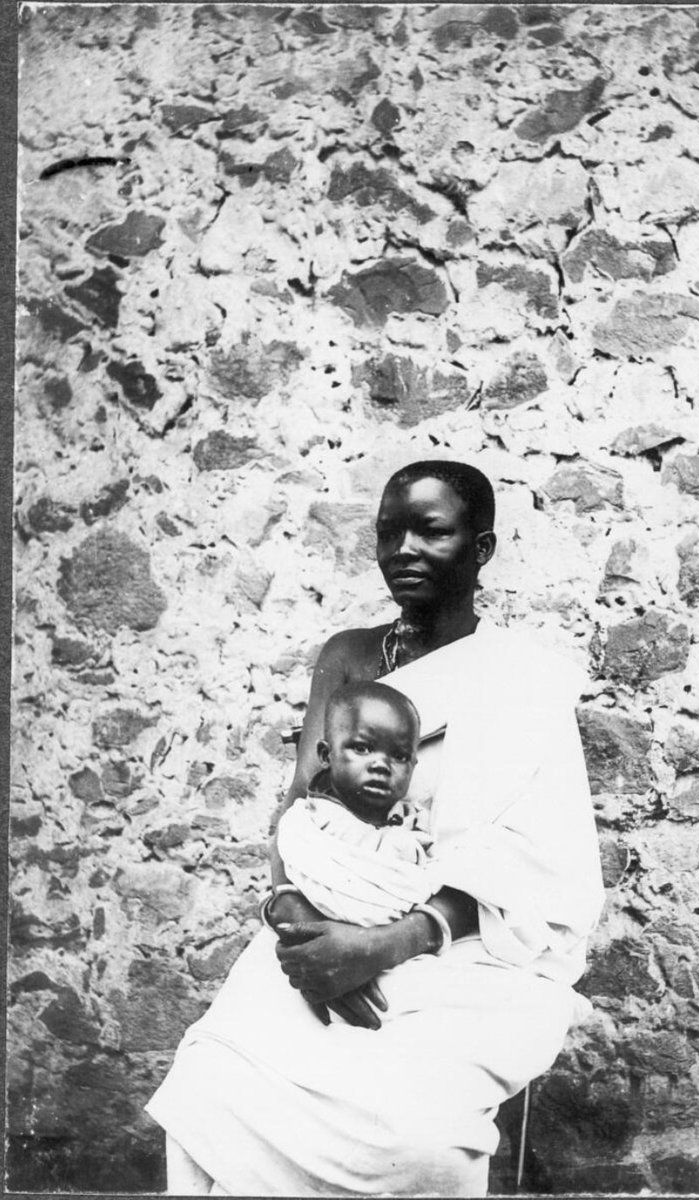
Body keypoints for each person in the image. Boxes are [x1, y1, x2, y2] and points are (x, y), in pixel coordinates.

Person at [146, 460, 606, 1197]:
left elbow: (535, 860)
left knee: (420, 1137)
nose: (403, 550)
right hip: (322, 919)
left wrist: (382, 946)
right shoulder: (347, 658)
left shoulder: (523, 678)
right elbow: (299, 812)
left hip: (463, 945)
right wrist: (296, 926)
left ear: (480, 548)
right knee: (212, 1080)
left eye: (430, 530)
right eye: (389, 532)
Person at [273, 680, 440, 936]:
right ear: (326, 755)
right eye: (362, 748)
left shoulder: (414, 820)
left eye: (399, 756)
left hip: (388, 945)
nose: (381, 765)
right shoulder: (313, 823)